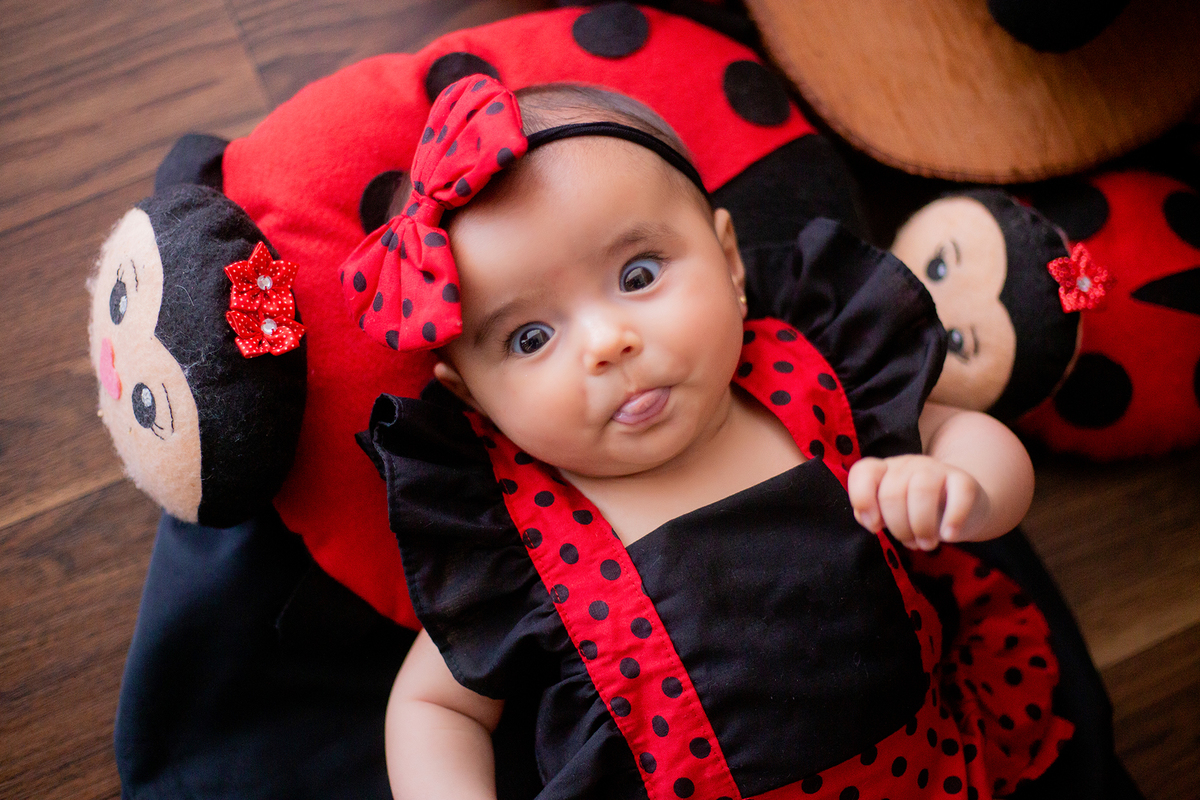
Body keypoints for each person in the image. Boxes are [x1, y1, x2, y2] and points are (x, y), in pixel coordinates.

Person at [346, 75, 1074, 800]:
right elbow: (435, 706)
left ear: (729, 260)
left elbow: (969, 437)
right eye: (531, 337)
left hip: (931, 769)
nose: (608, 342)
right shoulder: (515, 536)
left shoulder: (817, 372)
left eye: (637, 274)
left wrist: (964, 491)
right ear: (472, 396)